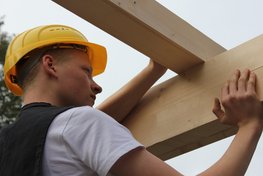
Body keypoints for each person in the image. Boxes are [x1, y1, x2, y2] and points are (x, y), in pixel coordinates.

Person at [0, 24, 262, 176]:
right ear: (51, 65)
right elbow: (83, 124)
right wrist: (250, 123)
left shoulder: (10, 143)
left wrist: (153, 71)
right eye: (86, 71)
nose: (97, 85)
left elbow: (80, 124)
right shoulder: (78, 125)